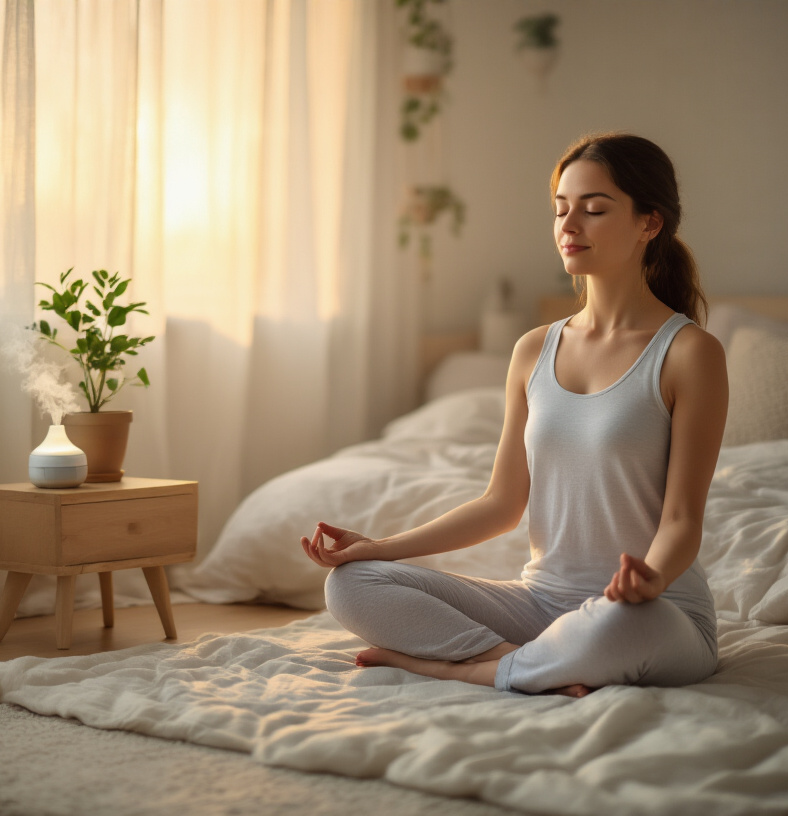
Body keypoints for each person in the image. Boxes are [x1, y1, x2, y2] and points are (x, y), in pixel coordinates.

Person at [300, 133, 728, 698]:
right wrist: (377, 547)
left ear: (650, 223)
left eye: (594, 209)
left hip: (652, 613)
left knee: (616, 622)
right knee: (352, 585)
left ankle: (459, 668)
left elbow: (681, 522)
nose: (569, 226)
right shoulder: (534, 349)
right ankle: (526, 663)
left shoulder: (690, 353)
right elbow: (501, 504)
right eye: (561, 210)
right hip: (540, 604)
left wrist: (650, 581)